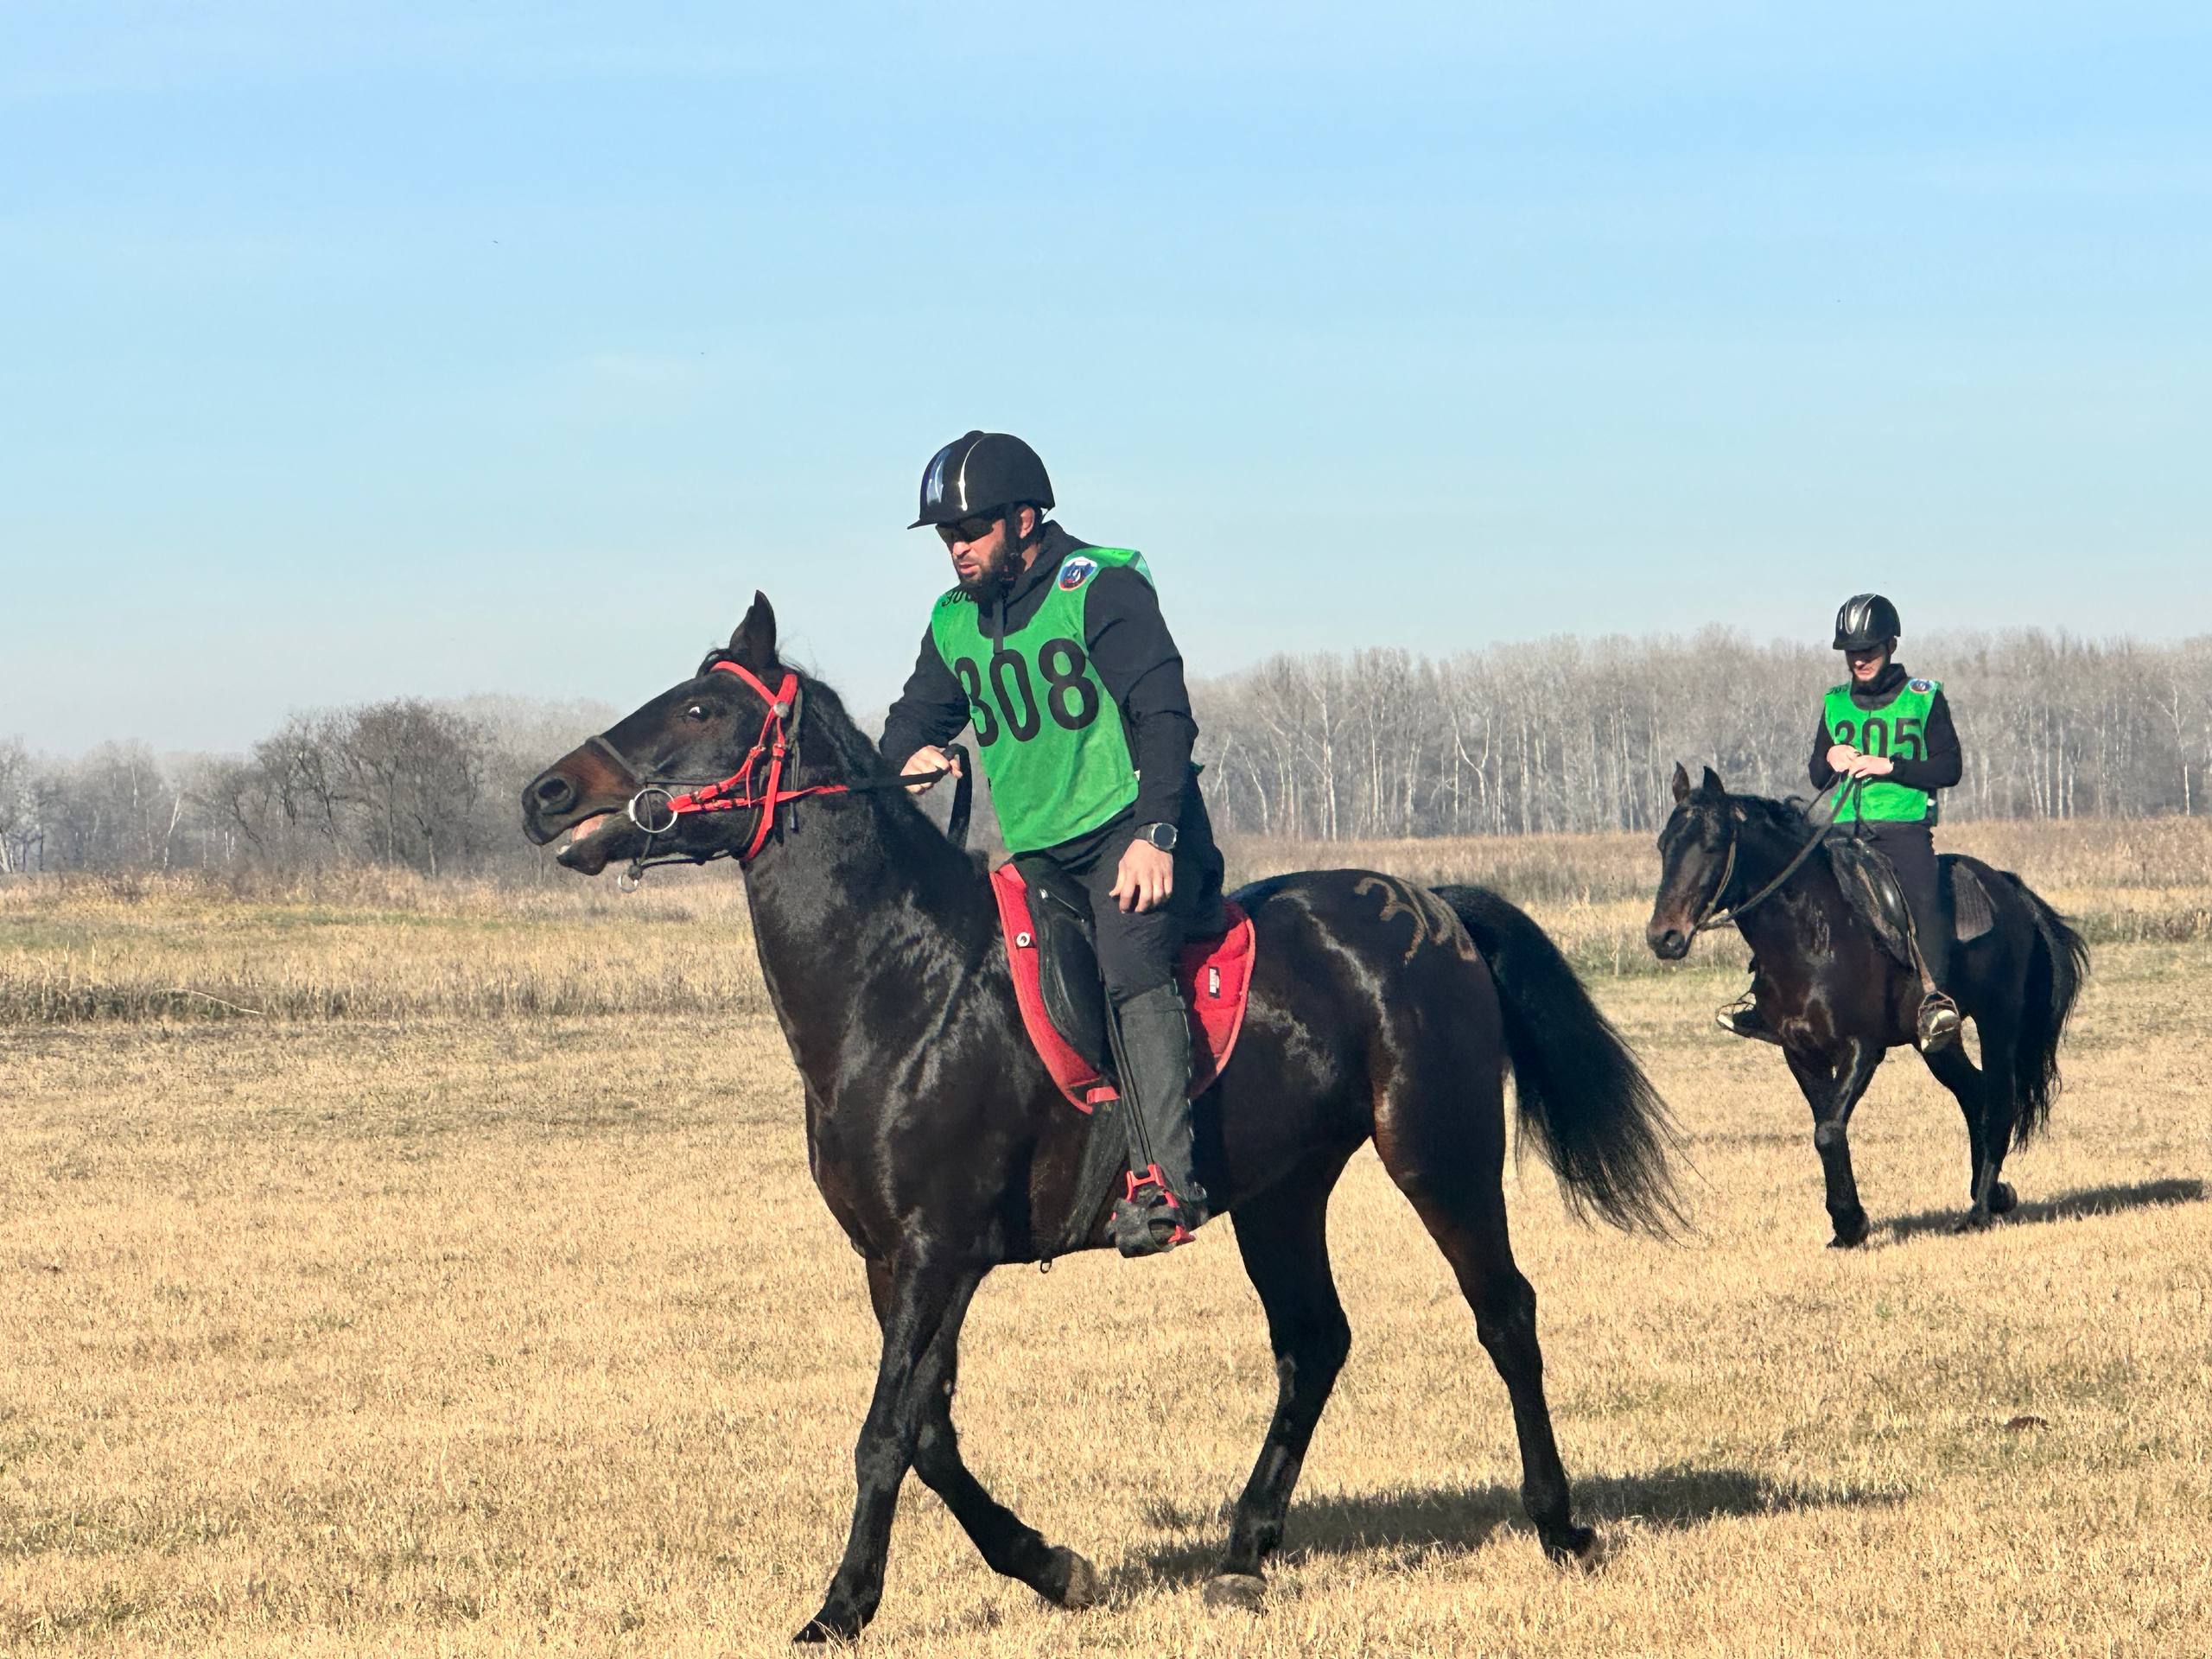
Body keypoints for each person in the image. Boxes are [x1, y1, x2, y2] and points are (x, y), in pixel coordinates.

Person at [880, 430, 1226, 1256]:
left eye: (971, 532)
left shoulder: (1098, 587)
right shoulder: (955, 620)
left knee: (1128, 967)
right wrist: (905, 758)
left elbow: (1165, 717)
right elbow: (913, 718)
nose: (956, 549)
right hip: (1039, 853)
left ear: (1025, 518)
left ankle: (1167, 1184)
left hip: (1129, 835)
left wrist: (1157, 836)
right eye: (946, 537)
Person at [1810, 593, 1964, 1049]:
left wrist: (1889, 766)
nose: (1859, 660)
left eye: (1869, 650)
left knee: (1922, 894)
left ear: (1891, 645)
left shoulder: (1925, 698)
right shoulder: (1835, 702)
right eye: (1852, 652)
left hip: (1902, 831)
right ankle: (1766, 992)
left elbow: (1949, 769)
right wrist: (1830, 755)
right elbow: (1817, 774)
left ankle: (1936, 999)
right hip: (1843, 831)